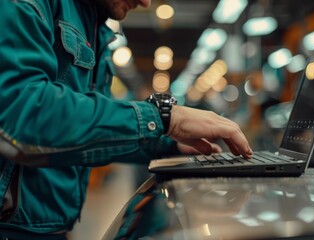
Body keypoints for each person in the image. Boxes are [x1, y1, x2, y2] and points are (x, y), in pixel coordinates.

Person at [0, 0, 252, 239]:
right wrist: (165, 118)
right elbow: (21, 114)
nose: (145, 3)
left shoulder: (96, 27)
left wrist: (168, 142)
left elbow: (92, 128)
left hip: (49, 227)